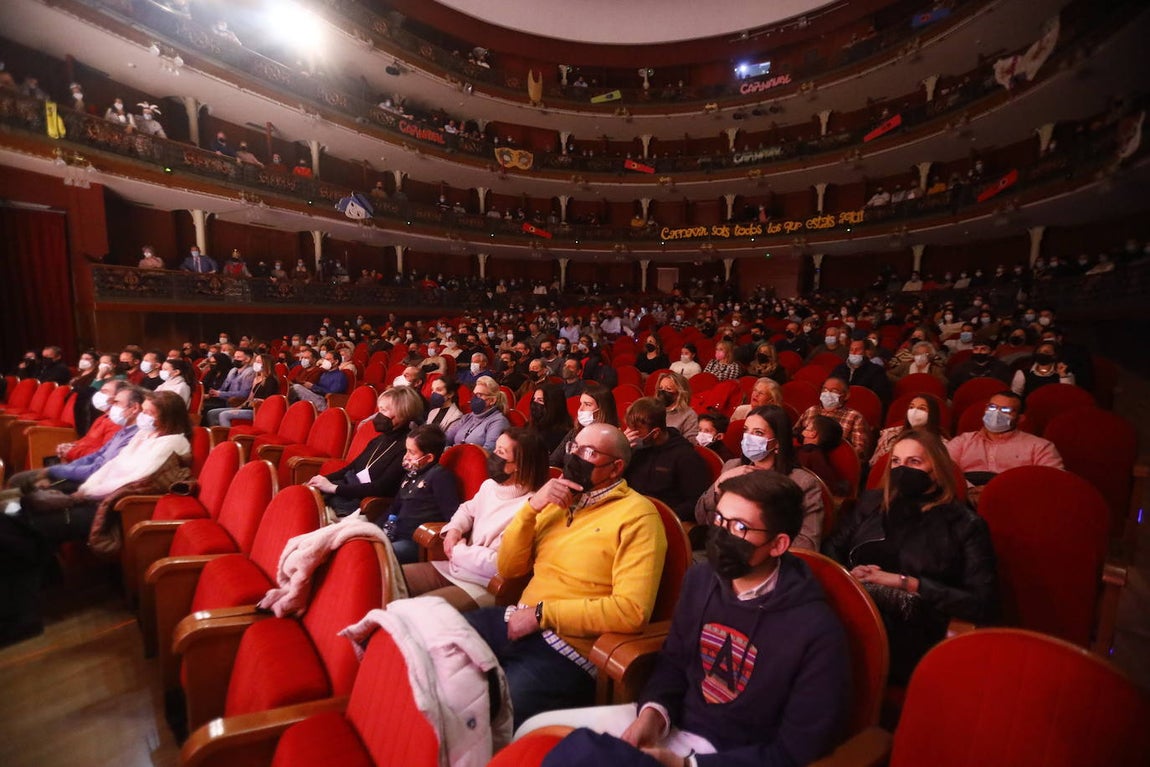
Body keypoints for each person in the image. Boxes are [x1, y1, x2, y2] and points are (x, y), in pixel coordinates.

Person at [517, 471, 850, 767]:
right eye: (719, 520)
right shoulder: (702, 580)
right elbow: (674, 662)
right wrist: (653, 714)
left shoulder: (817, 632)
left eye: (739, 527)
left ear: (778, 544)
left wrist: (686, 765)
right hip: (674, 725)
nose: (721, 535)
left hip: (736, 755)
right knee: (535, 734)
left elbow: (793, 752)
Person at [464, 423, 667, 727]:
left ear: (615, 468)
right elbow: (509, 569)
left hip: (568, 648)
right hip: (517, 621)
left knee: (496, 718)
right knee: (438, 648)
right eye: (574, 447)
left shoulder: (639, 516)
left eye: (589, 452)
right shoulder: (557, 502)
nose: (575, 457)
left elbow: (631, 611)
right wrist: (531, 508)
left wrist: (543, 614)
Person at [823, 430, 997, 682]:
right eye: (896, 461)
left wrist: (905, 582)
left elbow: (982, 603)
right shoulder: (872, 502)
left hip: (915, 624)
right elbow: (832, 549)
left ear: (937, 469)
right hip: (857, 603)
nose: (902, 469)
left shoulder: (965, 524)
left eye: (914, 462)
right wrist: (850, 575)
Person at [402, 428, 549, 610]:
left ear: (519, 464)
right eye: (495, 449)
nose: (493, 456)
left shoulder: (531, 507)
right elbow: (466, 510)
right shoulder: (490, 486)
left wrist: (459, 551)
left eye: (501, 453)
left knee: (417, 609)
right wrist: (454, 530)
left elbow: (500, 563)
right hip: (457, 567)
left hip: (486, 583)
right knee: (390, 579)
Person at [19, 391, 192, 545]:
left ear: (168, 418)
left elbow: (135, 479)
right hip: (97, 494)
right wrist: (86, 489)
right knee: (29, 511)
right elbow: (113, 464)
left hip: (119, 506)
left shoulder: (173, 442)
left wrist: (85, 495)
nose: (143, 416)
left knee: (40, 523)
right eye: (143, 411)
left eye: (148, 413)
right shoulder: (145, 434)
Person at [695, 405, 824, 552]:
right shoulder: (732, 466)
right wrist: (719, 486)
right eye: (746, 430)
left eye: (758, 433)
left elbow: (808, 544)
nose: (749, 437)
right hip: (723, 552)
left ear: (778, 442)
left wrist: (756, 549)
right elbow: (701, 518)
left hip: (770, 562)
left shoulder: (803, 483)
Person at [304, 387, 424, 518]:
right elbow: (352, 467)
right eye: (379, 409)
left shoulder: (407, 447)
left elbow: (381, 487)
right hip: (349, 492)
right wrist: (323, 479)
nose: (378, 415)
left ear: (402, 413)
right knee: (306, 498)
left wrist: (333, 488)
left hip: (368, 506)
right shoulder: (379, 439)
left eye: (384, 410)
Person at [945, 391, 1064, 502]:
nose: (996, 413)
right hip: (964, 499)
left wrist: (997, 492)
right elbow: (942, 470)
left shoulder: (1039, 446)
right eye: (992, 407)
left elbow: (1053, 481)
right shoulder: (962, 441)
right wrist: (970, 490)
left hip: (1015, 501)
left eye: (1006, 410)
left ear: (1020, 418)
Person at [377, 425, 459, 564]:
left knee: (374, 556)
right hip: (395, 534)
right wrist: (373, 529)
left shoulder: (440, 477)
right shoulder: (411, 474)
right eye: (406, 450)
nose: (406, 456)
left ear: (428, 458)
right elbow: (394, 507)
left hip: (416, 543)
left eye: (411, 452)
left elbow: (452, 517)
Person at [622, 398, 712, 522]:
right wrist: (621, 450)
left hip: (661, 518)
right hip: (630, 511)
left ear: (655, 433)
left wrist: (660, 517)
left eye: (635, 432)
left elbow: (695, 502)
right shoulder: (633, 448)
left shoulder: (686, 457)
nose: (630, 435)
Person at [794, 376, 871, 460]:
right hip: (803, 458)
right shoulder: (811, 410)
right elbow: (795, 433)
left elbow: (860, 451)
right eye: (825, 390)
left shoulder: (854, 416)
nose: (828, 394)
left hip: (835, 463)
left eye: (834, 391)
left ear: (846, 395)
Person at [549, 382, 618, 466]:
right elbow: (553, 461)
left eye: (587, 404)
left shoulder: (612, 439)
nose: (580, 409)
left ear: (602, 409)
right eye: (581, 403)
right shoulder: (574, 432)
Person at [872, 394, 947, 465]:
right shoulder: (890, 434)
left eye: (922, 408)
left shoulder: (942, 444)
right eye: (911, 407)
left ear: (932, 414)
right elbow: (876, 464)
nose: (914, 411)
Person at [209, 354, 279, 427]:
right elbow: (250, 398)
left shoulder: (271, 381)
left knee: (224, 415)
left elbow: (268, 400)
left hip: (257, 410)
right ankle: (216, 435)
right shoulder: (256, 378)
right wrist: (240, 407)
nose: (255, 363)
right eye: (255, 361)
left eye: (259, 362)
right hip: (248, 407)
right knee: (212, 413)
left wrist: (253, 403)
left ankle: (227, 437)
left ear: (266, 364)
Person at [445, 376, 509, 451]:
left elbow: (489, 451)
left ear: (492, 400)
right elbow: (446, 438)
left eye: (479, 395)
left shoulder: (498, 421)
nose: (474, 398)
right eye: (474, 395)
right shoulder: (468, 417)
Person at [797, 415, 851, 497]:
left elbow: (831, 488)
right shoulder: (813, 453)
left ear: (812, 434)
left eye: (807, 427)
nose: (802, 430)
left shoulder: (813, 455)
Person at [829, 338, 891, 405]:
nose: (854, 353)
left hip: (862, 406)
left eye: (857, 350)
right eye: (851, 350)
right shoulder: (840, 368)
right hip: (838, 405)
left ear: (865, 352)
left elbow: (878, 398)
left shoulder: (876, 371)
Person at [201, 348, 255, 421]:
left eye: (238, 357)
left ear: (247, 359)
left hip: (235, 402)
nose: (235, 359)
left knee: (210, 411)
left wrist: (220, 394)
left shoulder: (250, 372)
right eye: (235, 357)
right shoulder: (233, 370)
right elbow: (224, 387)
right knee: (202, 405)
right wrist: (214, 393)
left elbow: (243, 394)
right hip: (225, 399)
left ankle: (218, 431)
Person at [1010, 341, 1076, 398]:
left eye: (1046, 352)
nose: (1041, 354)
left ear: (1055, 355)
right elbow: (1015, 395)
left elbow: (1068, 394)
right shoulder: (1023, 373)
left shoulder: (1065, 373)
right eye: (1039, 351)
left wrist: (1063, 375)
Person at [947, 339, 1012, 396]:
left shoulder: (1002, 368)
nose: (979, 352)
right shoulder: (960, 368)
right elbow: (952, 390)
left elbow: (1004, 389)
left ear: (992, 352)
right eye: (976, 349)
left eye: (983, 349)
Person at [653, 371, 699, 442]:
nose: (662, 392)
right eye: (661, 388)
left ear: (680, 393)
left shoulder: (689, 415)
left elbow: (690, 444)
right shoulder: (653, 410)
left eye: (668, 389)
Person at [528, 382, 571, 455]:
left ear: (553, 405)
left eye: (540, 400)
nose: (534, 404)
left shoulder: (562, 435)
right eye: (534, 399)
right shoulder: (530, 426)